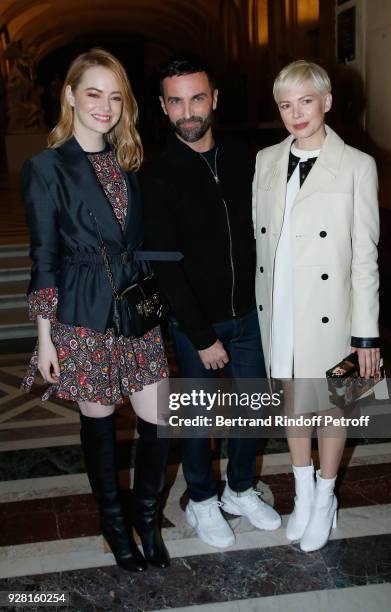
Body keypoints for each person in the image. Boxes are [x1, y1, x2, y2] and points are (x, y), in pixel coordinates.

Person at [20, 48, 171, 571]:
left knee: (159, 418)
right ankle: (115, 524)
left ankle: (147, 518)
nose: (105, 106)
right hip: (82, 311)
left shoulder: (130, 160)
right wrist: (45, 338)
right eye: (93, 93)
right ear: (70, 96)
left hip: (134, 305)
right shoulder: (45, 168)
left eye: (114, 96)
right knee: (100, 424)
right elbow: (43, 256)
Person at [141, 56, 281, 549]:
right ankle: (202, 499)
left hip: (251, 315)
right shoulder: (156, 174)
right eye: (175, 101)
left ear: (214, 98)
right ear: (162, 106)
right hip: (194, 323)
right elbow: (165, 267)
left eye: (196, 98)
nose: (188, 111)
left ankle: (239, 489)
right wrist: (202, 336)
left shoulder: (245, 156)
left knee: (254, 410)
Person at [253, 60, 381, 552]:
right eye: (285, 104)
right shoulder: (266, 159)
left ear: (327, 102)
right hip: (280, 304)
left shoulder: (357, 165)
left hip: (336, 311)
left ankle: (326, 496)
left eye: (306, 100)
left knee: (333, 407)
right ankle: (302, 492)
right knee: (292, 402)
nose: (295, 113)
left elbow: (366, 257)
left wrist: (366, 334)